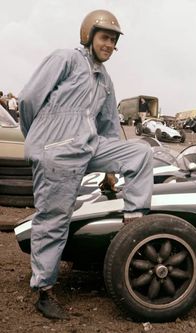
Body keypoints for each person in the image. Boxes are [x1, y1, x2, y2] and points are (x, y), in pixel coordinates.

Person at [18, 9, 153, 320]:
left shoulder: (105, 80)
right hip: (56, 154)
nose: (109, 45)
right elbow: (28, 100)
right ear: (88, 35)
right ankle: (43, 289)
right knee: (54, 221)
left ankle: (130, 227)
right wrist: (40, 143)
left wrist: (109, 172)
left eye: (113, 41)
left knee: (140, 152)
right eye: (105, 38)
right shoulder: (65, 59)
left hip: (89, 148)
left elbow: (107, 128)